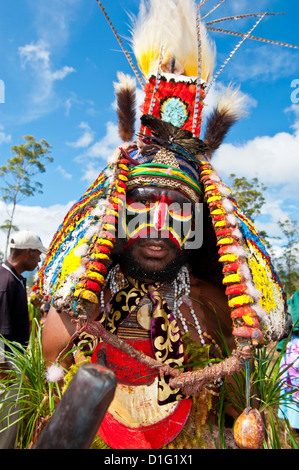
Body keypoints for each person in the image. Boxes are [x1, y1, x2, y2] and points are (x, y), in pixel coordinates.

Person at [39, 1, 289, 449]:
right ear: (113, 210)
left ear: (199, 219)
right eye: (141, 201)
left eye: (177, 207)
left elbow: (241, 419)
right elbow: (47, 404)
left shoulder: (219, 313)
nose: (157, 225)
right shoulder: (72, 314)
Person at [0, 230, 47, 448]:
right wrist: (6, 371)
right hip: (5, 368)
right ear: (27, 252)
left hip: (11, 364)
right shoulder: (5, 282)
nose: (39, 260)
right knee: (5, 426)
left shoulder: (15, 279)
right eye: (37, 254)